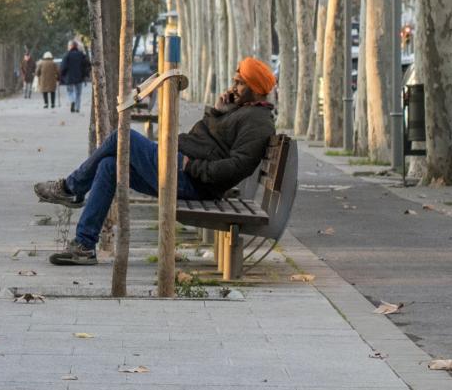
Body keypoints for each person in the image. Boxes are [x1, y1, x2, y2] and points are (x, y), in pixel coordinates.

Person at [34, 57, 277, 265]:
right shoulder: (242, 109)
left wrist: (191, 166)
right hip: (182, 168)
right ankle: (84, 246)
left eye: (239, 82)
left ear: (255, 88)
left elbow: (237, 167)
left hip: (191, 180)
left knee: (122, 136)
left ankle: (69, 188)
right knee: (109, 166)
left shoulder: (258, 121)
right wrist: (217, 110)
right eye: (235, 80)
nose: (233, 86)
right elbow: (212, 140)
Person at [58, 40, 91, 113]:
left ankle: (72, 100)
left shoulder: (67, 55)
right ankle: (77, 108)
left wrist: (61, 76)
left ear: (70, 46)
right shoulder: (81, 54)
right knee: (78, 93)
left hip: (69, 78)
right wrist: (85, 74)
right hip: (79, 77)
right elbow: (87, 65)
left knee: (70, 91)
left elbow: (63, 67)